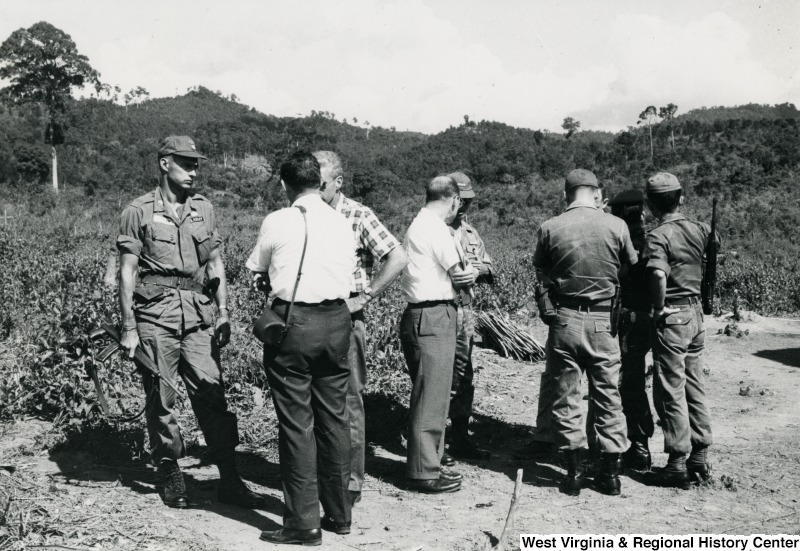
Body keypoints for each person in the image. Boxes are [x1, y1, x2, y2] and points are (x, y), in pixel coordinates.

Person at [117, 135, 266, 510]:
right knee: (162, 398)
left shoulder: (204, 208)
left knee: (212, 393)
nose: (194, 171)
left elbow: (215, 263)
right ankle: (170, 473)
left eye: (196, 163)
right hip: (155, 316)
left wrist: (224, 311)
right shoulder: (138, 210)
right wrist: (129, 327)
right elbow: (127, 272)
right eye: (186, 163)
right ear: (164, 163)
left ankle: (229, 478)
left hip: (198, 316)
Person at [246, 151, 356, 546]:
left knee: (297, 426)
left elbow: (258, 269)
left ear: (284, 185)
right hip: (338, 323)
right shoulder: (343, 222)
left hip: (295, 326)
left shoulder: (278, 220)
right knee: (335, 419)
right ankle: (340, 515)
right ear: (319, 181)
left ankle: (302, 523)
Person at [532, 168, 637, 497]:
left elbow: (542, 272)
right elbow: (629, 264)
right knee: (608, 396)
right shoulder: (617, 226)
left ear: (566, 195)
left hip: (565, 319)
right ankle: (610, 474)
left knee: (567, 396)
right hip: (603, 321)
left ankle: (574, 472)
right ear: (596, 192)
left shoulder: (549, 228)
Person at [313, 150, 409, 507]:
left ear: (337, 182)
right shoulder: (302, 212)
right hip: (307, 314)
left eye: (319, 182)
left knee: (348, 400)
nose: (312, 188)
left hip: (344, 314)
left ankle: (350, 483)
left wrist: (364, 296)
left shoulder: (358, 214)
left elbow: (397, 257)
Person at [399, 175, 478, 494]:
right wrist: (470, 272)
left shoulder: (422, 224)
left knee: (432, 393)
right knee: (431, 397)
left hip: (428, 315)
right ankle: (422, 471)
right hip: (432, 315)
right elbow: (462, 274)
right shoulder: (434, 228)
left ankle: (428, 463)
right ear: (454, 200)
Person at [643, 172, 714, 489]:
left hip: (672, 316)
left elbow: (658, 273)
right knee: (694, 385)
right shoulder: (701, 229)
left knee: (671, 388)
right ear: (681, 197)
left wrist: (658, 307)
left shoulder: (658, 235)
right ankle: (699, 455)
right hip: (696, 313)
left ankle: (676, 463)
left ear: (650, 203)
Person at [444, 171, 494, 464]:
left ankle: (460, 437)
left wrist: (477, 271)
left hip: (466, 312)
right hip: (441, 310)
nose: (464, 206)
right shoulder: (433, 230)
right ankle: (436, 441)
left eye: (468, 201)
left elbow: (489, 266)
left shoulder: (471, 232)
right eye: (460, 200)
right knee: (441, 377)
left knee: (464, 376)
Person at [608, 189, 654, 471]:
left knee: (629, 381)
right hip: (650, 317)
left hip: (629, 318)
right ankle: (638, 444)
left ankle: (638, 445)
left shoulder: (625, 244)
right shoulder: (654, 239)